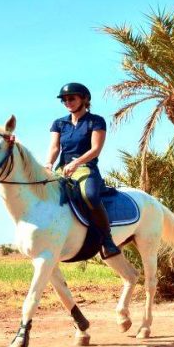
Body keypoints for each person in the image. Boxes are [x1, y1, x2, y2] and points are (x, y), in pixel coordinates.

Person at [45, 83, 120, 258]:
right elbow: (55, 147)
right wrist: (48, 163)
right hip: (62, 169)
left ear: (84, 99)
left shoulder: (96, 121)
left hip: (86, 167)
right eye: (64, 100)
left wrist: (77, 163)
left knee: (90, 196)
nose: (67, 102)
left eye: (71, 98)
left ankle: (107, 240)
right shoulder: (59, 123)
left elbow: (95, 149)